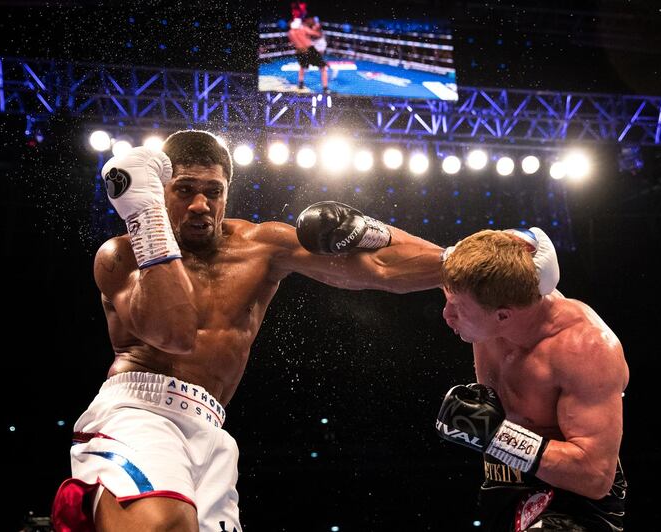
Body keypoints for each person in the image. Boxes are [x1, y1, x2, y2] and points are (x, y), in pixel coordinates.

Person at [50, 130, 449, 531]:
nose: (200, 204)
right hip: (139, 411)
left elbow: (384, 270)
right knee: (164, 524)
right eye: (184, 189)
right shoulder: (121, 254)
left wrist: (386, 235)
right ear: (158, 189)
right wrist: (147, 216)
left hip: (212, 427)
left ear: (227, 193)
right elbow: (175, 334)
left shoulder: (260, 246)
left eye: (214, 191)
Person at [434, 230, 629, 531]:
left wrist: (497, 436)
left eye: (458, 308)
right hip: (501, 487)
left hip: (574, 501)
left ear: (502, 316)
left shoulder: (585, 349)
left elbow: (594, 477)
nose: (447, 314)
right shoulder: (490, 293)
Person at [287, 16, 329, 93]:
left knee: (302, 67)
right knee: (323, 68)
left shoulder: (290, 33)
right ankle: (325, 88)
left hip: (299, 51)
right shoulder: (303, 28)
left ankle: (300, 83)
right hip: (309, 50)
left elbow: (293, 43)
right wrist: (315, 29)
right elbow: (316, 34)